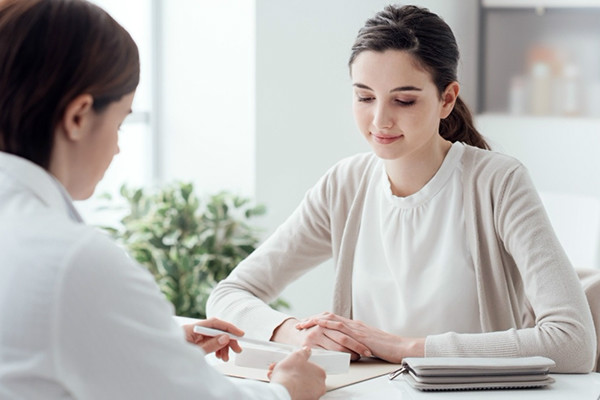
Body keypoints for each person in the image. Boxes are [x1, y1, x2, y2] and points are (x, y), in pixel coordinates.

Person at [207, 4, 598, 373]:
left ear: (446, 99)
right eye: (364, 97)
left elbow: (574, 342)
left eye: (404, 100)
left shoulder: (498, 182)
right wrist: (296, 332)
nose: (380, 120)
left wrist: (406, 348)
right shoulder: (345, 184)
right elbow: (229, 294)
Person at [0, 0, 326, 399]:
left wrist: (149, 344)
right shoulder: (73, 261)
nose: (118, 148)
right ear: (79, 117)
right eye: (119, 122)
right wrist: (288, 390)